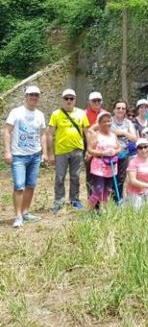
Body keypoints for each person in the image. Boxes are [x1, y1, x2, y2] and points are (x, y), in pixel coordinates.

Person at [4, 86, 48, 228]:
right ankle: (17, 216)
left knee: (30, 185)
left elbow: (42, 134)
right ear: (25, 96)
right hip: (19, 156)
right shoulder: (16, 112)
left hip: (35, 155)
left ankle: (25, 212)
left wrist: (45, 152)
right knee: (19, 186)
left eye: (36, 95)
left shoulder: (40, 115)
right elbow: (7, 131)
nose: (33, 97)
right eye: (31, 95)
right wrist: (7, 151)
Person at [47, 89, 89, 213]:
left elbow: (87, 132)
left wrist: (89, 149)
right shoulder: (56, 114)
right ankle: (59, 201)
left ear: (75, 99)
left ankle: (75, 200)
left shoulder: (81, 113)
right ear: (62, 100)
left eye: (71, 98)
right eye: (66, 98)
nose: (69, 101)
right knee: (60, 177)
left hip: (77, 150)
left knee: (75, 176)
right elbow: (50, 134)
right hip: (61, 151)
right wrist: (50, 153)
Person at [86, 113, 120, 211]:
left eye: (108, 121)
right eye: (104, 121)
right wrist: (103, 153)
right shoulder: (96, 135)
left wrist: (114, 152)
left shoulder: (113, 135)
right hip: (98, 167)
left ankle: (103, 209)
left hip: (111, 166)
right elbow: (90, 150)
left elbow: (119, 147)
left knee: (107, 189)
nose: (106, 123)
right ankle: (89, 210)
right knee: (98, 189)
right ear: (99, 123)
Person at [111, 101, 137, 201]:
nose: (120, 110)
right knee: (110, 177)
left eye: (123, 108)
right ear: (114, 110)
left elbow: (134, 138)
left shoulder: (128, 123)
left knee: (121, 178)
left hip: (123, 153)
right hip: (110, 153)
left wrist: (122, 133)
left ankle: (118, 199)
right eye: (118, 108)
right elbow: (108, 132)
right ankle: (108, 199)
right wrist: (125, 133)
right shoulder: (109, 120)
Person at [125, 138, 148, 209]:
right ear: (137, 149)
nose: (143, 150)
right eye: (140, 147)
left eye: (145, 147)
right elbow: (132, 180)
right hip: (135, 193)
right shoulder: (133, 162)